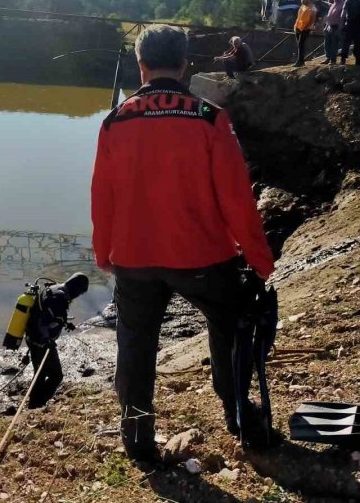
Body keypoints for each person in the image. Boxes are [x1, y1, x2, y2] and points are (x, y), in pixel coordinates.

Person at [91, 24, 275, 463]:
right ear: (185, 64)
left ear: (141, 68)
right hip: (205, 256)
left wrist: (104, 252)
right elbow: (238, 200)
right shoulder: (211, 118)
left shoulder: (115, 122)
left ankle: (137, 437)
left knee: (135, 346)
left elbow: (102, 196)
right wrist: (259, 259)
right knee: (230, 330)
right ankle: (238, 415)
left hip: (135, 258)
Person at [22, 272, 89, 409]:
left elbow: (49, 314)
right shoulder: (60, 298)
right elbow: (43, 322)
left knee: (40, 372)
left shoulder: (55, 289)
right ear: (76, 289)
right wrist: (47, 340)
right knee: (56, 375)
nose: (78, 296)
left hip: (32, 335)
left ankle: (35, 403)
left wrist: (64, 323)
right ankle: (37, 404)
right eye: (80, 293)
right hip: (40, 340)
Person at [292, 0, 317, 67]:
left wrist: (307, 27)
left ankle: (300, 61)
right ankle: (301, 60)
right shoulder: (302, 6)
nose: (302, 0)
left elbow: (312, 19)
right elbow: (299, 17)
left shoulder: (312, 7)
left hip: (305, 29)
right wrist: (295, 26)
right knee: (299, 45)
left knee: (301, 44)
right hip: (298, 28)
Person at [322, 0, 345, 65]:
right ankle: (328, 58)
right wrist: (326, 27)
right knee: (326, 43)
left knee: (334, 44)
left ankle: (333, 60)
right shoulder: (333, 4)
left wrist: (339, 28)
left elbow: (342, 18)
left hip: (336, 27)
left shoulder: (342, 5)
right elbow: (329, 16)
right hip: (329, 26)